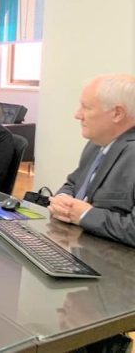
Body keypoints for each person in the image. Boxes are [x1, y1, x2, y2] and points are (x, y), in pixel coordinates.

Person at [49, 74, 135, 247]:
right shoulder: (96, 143)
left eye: (86, 107)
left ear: (117, 113)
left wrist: (84, 215)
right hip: (75, 245)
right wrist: (63, 198)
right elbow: (73, 182)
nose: (77, 115)